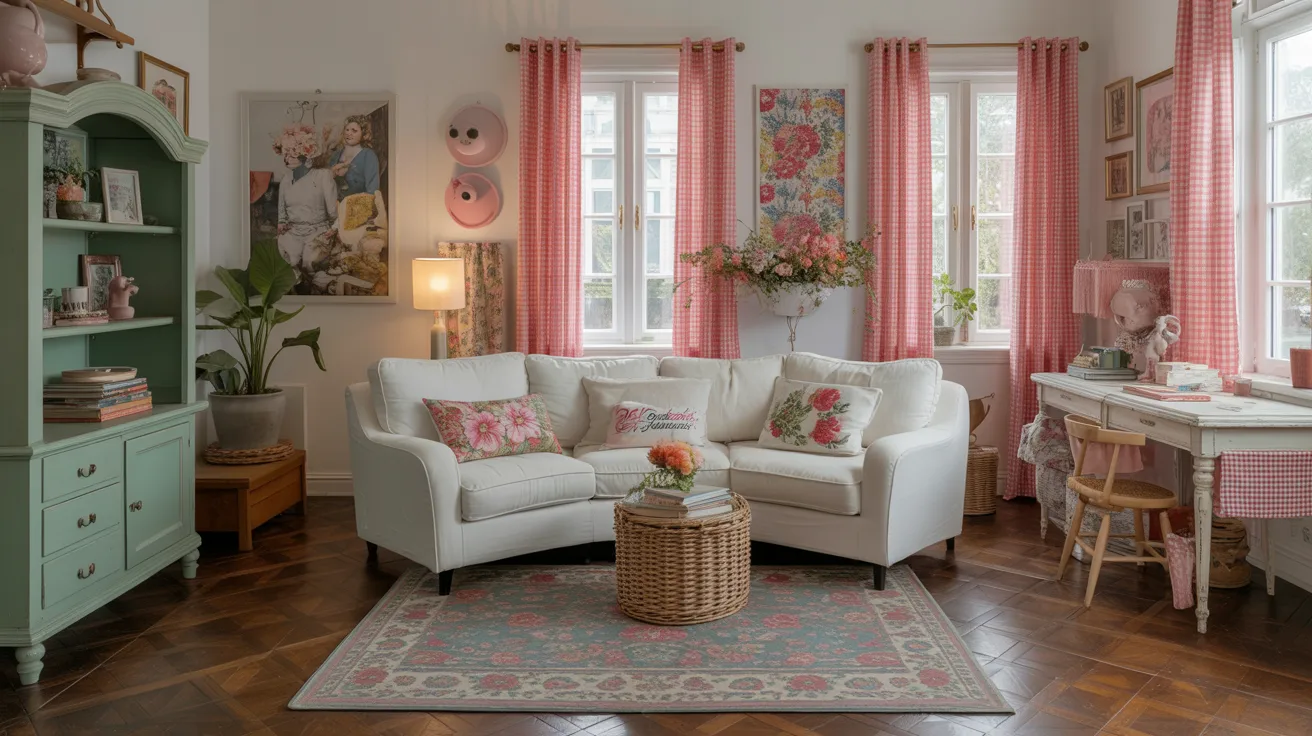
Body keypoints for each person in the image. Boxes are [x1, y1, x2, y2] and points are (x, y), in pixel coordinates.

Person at [273, 124, 337, 274]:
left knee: (310, 262)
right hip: (294, 232)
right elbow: (282, 215)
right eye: (285, 154)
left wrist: (333, 231)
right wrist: (282, 224)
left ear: (305, 156)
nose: (286, 159)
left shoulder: (323, 176)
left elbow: (334, 213)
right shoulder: (286, 180)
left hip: (318, 231)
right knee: (289, 263)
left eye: (291, 154)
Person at [329, 115, 381, 198]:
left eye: (354, 131)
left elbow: (372, 189)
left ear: (363, 134)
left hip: (359, 206)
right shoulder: (336, 155)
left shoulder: (368, 155)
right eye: (347, 129)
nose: (349, 133)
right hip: (334, 206)